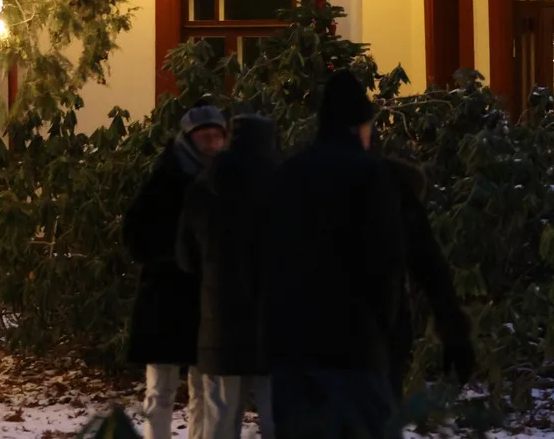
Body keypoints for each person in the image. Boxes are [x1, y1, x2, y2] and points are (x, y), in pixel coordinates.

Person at [260, 70, 407, 439]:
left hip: (292, 352)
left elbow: (260, 259)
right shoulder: (371, 176)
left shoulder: (287, 175)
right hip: (353, 349)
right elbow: (386, 265)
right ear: (360, 126)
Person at [125, 102, 227, 439]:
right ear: (188, 138)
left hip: (206, 299)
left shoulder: (225, 181)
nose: (212, 145)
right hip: (166, 298)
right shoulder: (164, 179)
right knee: (161, 390)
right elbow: (135, 236)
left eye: (217, 137)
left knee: (206, 389)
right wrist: (170, 258)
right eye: (205, 138)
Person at [179, 113, 282, 439]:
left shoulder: (202, 189)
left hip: (220, 325)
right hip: (275, 325)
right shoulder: (286, 189)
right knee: (278, 420)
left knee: (220, 421)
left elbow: (185, 259)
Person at [383, 157, 476, 396]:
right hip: (376, 341)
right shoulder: (390, 185)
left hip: (303, 347)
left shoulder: (295, 179)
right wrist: (455, 333)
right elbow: (429, 265)